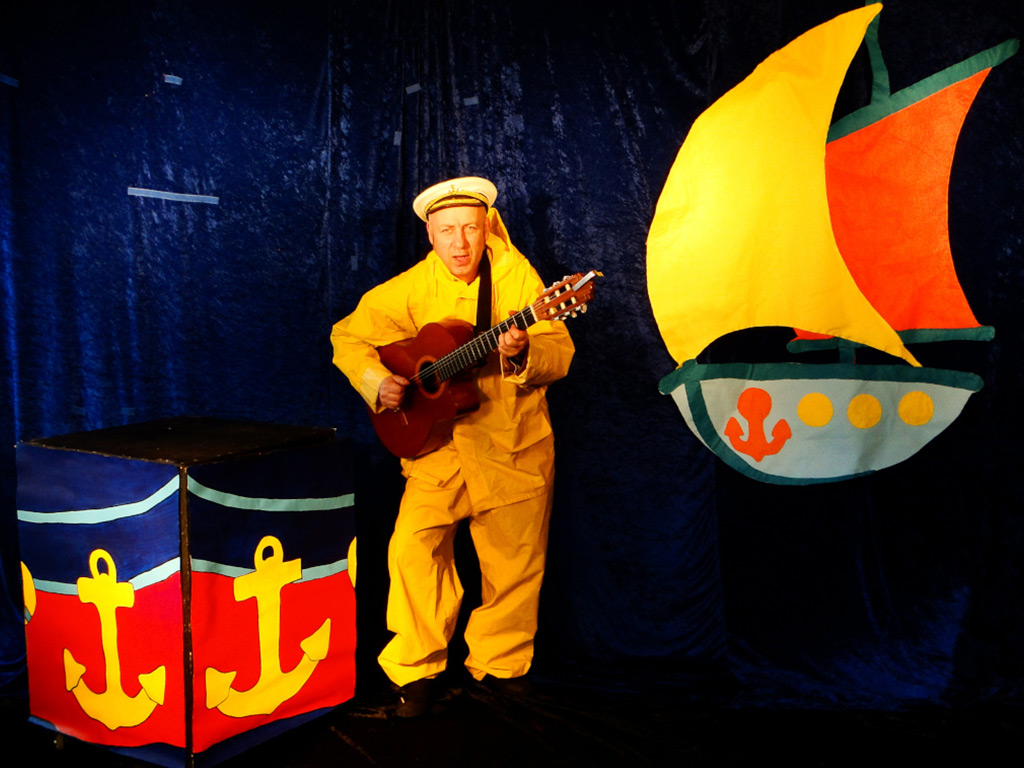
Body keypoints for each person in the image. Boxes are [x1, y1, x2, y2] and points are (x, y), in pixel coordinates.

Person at [331, 176, 575, 717]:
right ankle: (416, 667)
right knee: (413, 550)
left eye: (469, 228)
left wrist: (522, 349)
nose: (460, 243)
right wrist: (378, 381)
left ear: (487, 228)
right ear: (430, 234)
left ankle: (502, 664)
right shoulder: (413, 287)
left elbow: (559, 352)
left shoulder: (518, 277)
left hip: (513, 444)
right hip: (438, 449)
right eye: (447, 231)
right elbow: (346, 336)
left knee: (515, 561)